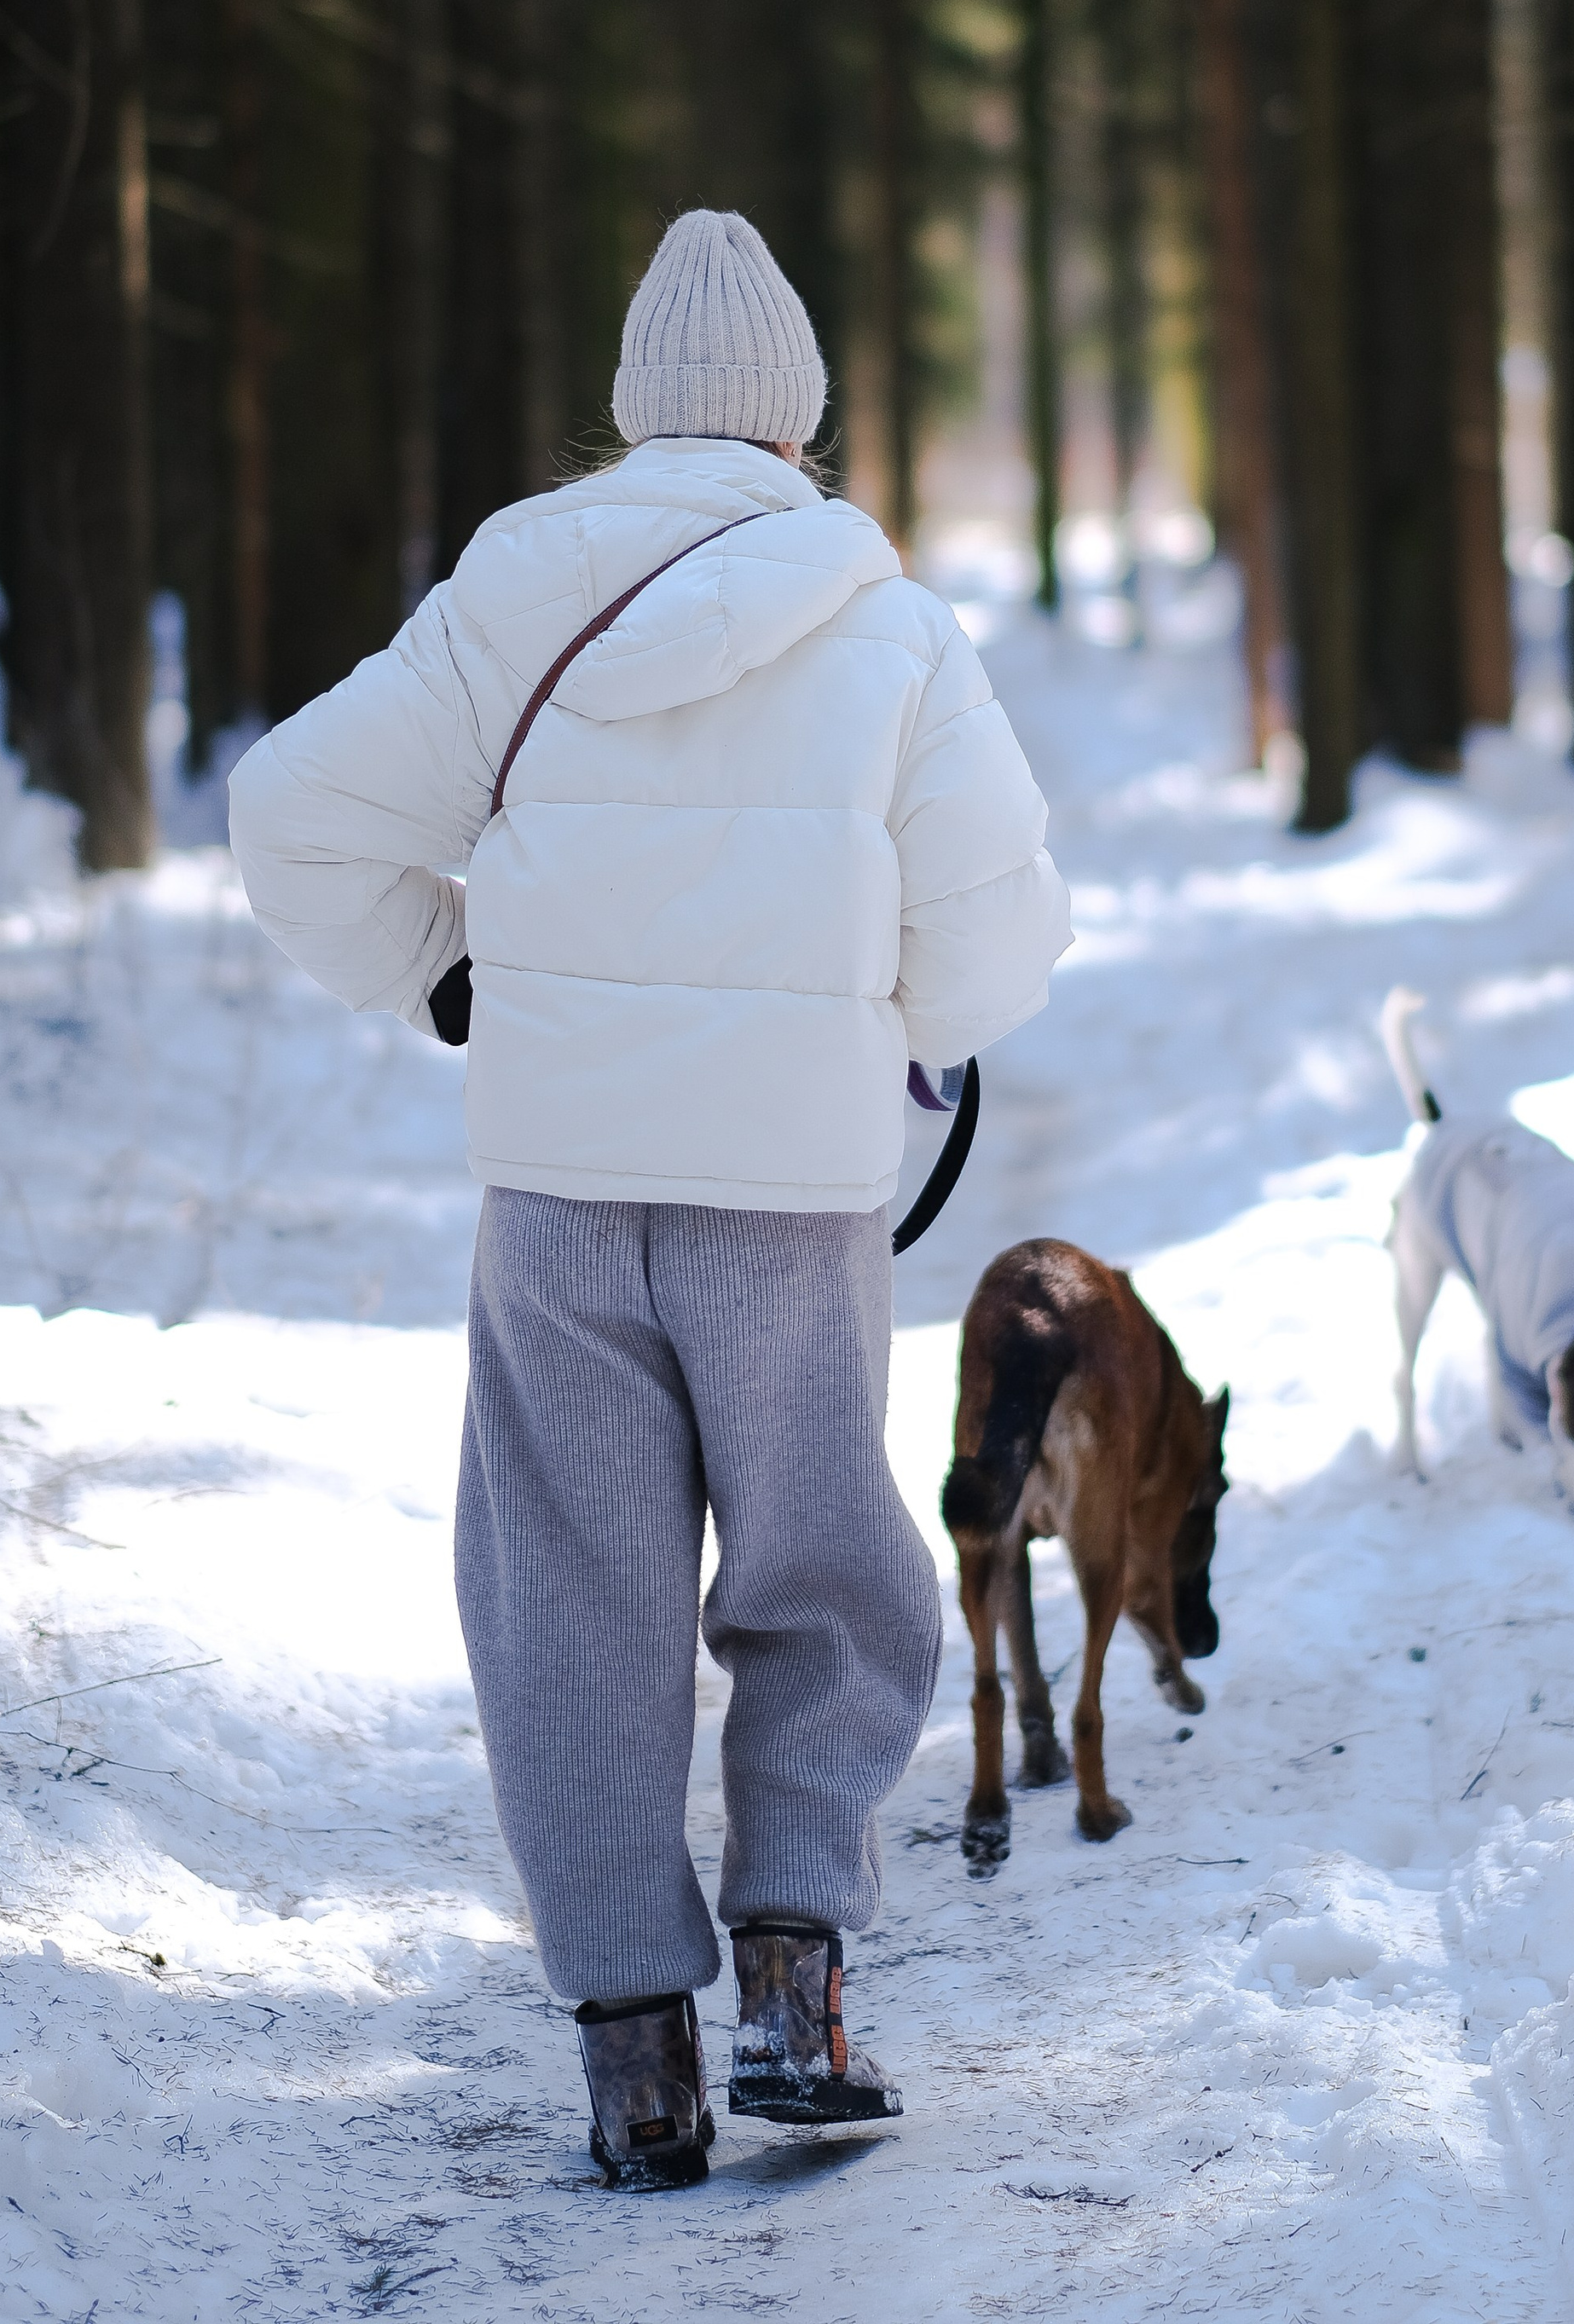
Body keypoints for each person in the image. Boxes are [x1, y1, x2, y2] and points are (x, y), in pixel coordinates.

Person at [227, 210, 1071, 2190]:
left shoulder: (509, 597)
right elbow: (997, 946)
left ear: (632, 412)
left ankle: (633, 2057)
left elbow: (289, 813)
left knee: (568, 1604)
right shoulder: (886, 625)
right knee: (820, 1571)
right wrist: (900, 1021)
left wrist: (442, 970)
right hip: (789, 1201)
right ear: (796, 419)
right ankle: (792, 1981)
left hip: (558, 1196)